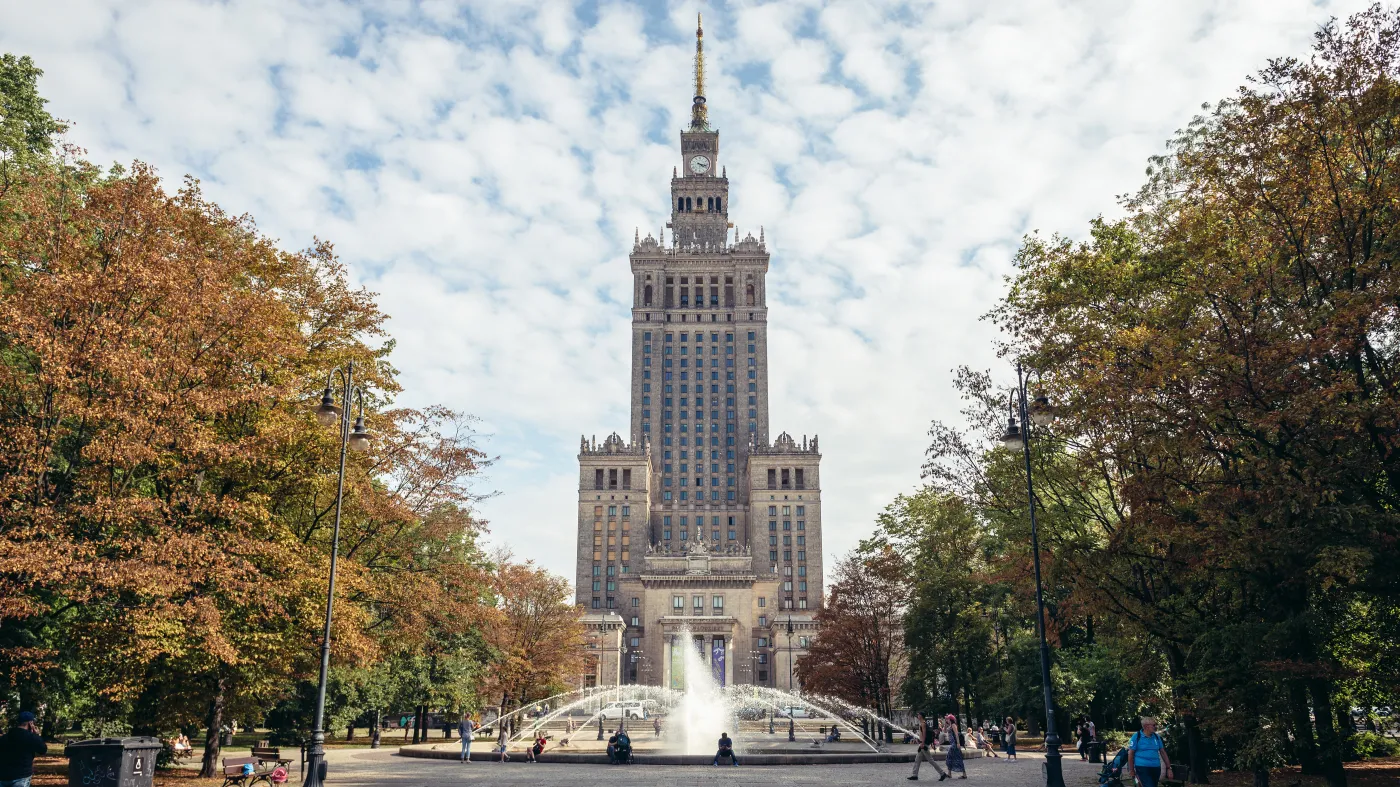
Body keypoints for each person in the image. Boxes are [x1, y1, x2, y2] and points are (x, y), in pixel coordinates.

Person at [0, 712, 45, 787]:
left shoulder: (5, 737)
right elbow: (43, 749)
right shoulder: (31, 737)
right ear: (30, 723)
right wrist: (36, 735)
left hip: (3, 776)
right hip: (21, 776)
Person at [1127, 716, 1171, 787]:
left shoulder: (1157, 737)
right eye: (1154, 725)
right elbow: (1130, 754)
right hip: (1142, 767)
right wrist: (1131, 770)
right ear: (1146, 726)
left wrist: (1169, 768)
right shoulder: (1136, 737)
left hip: (1155, 767)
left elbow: (1163, 752)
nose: (1155, 727)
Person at [908, 711, 949, 781]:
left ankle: (942, 773)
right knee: (917, 760)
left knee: (930, 760)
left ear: (921, 716)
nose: (917, 715)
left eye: (918, 714)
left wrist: (922, 743)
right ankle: (915, 775)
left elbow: (924, 734)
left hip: (924, 745)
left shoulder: (923, 724)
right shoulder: (922, 723)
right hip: (922, 744)